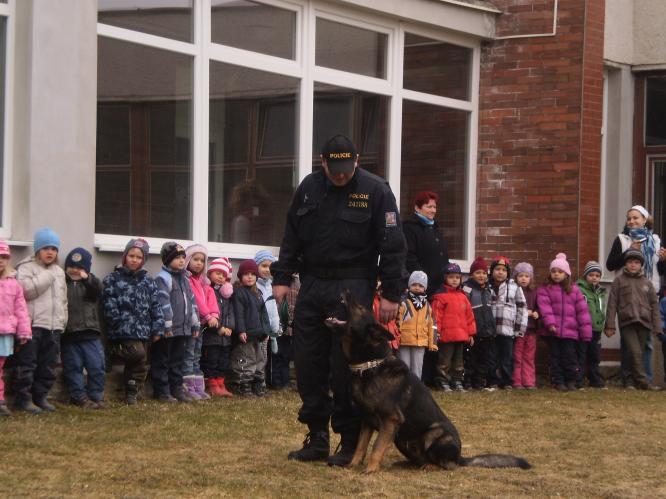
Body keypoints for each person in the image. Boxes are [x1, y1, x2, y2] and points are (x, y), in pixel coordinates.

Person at [271, 134, 407, 466]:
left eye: (348, 168)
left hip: (354, 285)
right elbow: (291, 236)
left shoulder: (376, 191)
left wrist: (391, 293)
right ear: (324, 163)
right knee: (306, 362)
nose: (342, 175)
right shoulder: (308, 188)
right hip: (313, 283)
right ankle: (316, 436)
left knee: (344, 367)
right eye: (336, 169)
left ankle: (348, 442)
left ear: (357, 161)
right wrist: (282, 277)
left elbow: (393, 246)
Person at [606, 205, 666, 384]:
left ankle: (645, 379)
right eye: (629, 218)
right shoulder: (622, 239)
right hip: (628, 295)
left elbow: (660, 270)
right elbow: (610, 265)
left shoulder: (655, 240)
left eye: (636, 218)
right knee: (627, 341)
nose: (631, 221)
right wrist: (628, 250)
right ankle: (628, 378)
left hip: (649, 293)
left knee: (646, 341)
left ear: (645, 220)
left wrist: (663, 260)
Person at [102, 238, 164, 405]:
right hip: (122, 329)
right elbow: (108, 301)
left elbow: (155, 305)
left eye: (138, 257)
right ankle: (113, 350)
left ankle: (131, 391)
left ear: (143, 260)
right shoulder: (113, 279)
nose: (134, 260)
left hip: (143, 330)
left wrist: (158, 327)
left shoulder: (148, 281)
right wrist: (115, 320)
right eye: (131, 255)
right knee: (137, 354)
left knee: (140, 364)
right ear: (125, 256)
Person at [12, 228, 67, 413]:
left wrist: (62, 321)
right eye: (45, 248)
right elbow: (25, 291)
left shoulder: (59, 272)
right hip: (33, 326)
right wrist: (47, 275)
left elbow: (63, 299)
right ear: (37, 250)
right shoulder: (26, 267)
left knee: (48, 366)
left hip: (53, 328)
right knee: (27, 364)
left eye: (54, 248)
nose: (50, 252)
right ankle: (23, 399)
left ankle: (40, 397)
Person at [402, 191, 449, 385]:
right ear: (417, 208)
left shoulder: (435, 229)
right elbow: (410, 256)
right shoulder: (410, 228)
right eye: (429, 206)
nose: (433, 210)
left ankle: (429, 376)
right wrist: (421, 282)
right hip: (420, 288)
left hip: (438, 288)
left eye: (435, 207)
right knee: (416, 331)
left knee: (431, 331)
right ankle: (415, 378)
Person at [605, 249, 661, 390]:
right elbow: (612, 303)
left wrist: (657, 327)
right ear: (626, 263)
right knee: (634, 351)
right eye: (630, 262)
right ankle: (643, 382)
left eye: (636, 262)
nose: (633, 265)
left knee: (638, 353)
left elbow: (654, 306)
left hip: (644, 322)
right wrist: (610, 325)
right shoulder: (619, 280)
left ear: (641, 265)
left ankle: (630, 381)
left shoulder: (647, 283)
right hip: (627, 321)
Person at [537, 253, 592, 391]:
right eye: (554, 271)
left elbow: (582, 312)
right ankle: (558, 381)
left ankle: (571, 380)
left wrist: (585, 333)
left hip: (570, 332)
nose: (556, 274)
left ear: (566, 274)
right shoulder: (545, 289)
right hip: (553, 332)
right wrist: (550, 323)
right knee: (555, 357)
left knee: (570, 357)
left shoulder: (574, 290)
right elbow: (545, 307)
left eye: (560, 272)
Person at [153, 242, 200, 403]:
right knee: (163, 360)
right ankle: (162, 390)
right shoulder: (162, 278)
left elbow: (192, 302)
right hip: (169, 329)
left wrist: (195, 323)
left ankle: (177, 388)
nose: (181, 261)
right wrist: (166, 324)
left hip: (183, 328)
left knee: (177, 360)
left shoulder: (185, 279)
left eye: (182, 257)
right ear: (167, 259)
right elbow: (162, 302)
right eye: (177, 257)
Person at [61, 248, 106, 409]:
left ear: (86, 269)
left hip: (90, 334)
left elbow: (99, 290)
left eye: (79, 268)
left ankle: (96, 396)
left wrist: (86, 279)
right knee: (73, 368)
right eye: (71, 266)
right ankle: (78, 396)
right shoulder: (62, 284)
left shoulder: (91, 283)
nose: (75, 270)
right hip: (70, 334)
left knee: (96, 366)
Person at [431, 263, 476, 392]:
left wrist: (471, 333)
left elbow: (469, 316)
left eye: (457, 277)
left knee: (458, 362)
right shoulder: (440, 296)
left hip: (461, 336)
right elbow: (436, 316)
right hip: (446, 336)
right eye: (451, 277)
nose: (455, 280)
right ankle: (442, 381)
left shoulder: (463, 296)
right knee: (444, 361)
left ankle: (457, 381)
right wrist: (436, 333)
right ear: (445, 278)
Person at [230, 259, 271, 397]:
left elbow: (263, 314)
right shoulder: (239, 293)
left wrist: (266, 330)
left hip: (257, 335)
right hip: (245, 335)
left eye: (253, 274)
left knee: (259, 360)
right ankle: (242, 384)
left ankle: (257, 383)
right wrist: (241, 330)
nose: (250, 277)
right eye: (246, 274)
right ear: (241, 276)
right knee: (245, 360)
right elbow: (238, 314)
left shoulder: (258, 293)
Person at [183, 244, 219, 400]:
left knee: (197, 354)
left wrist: (215, 315)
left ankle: (197, 386)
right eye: (195, 259)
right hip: (191, 323)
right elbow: (197, 301)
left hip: (202, 324)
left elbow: (211, 300)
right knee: (189, 353)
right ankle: (187, 386)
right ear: (188, 260)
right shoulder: (187, 279)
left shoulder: (204, 282)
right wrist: (208, 315)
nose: (199, 263)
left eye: (202, 260)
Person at [0, 241, 31, 416]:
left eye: (4, 258)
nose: (0, 261)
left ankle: (0, 401)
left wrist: (24, 331)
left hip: (5, 332)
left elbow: (21, 309)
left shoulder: (14, 284)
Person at [488, 256, 527, 390]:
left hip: (508, 330)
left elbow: (522, 308)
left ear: (508, 273)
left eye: (503, 270)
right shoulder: (487, 287)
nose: (500, 272)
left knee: (507, 357)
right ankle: (492, 380)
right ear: (492, 271)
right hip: (490, 330)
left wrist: (519, 329)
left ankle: (507, 381)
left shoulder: (515, 287)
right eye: (497, 269)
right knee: (491, 356)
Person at [461, 257, 496, 391]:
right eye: (477, 273)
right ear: (471, 275)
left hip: (486, 332)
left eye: (483, 273)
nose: (481, 276)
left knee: (483, 359)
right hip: (473, 331)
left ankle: (480, 381)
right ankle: (468, 381)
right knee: (470, 358)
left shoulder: (488, 290)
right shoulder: (467, 289)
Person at [202, 257, 234, 398]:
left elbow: (231, 313)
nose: (221, 277)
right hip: (212, 337)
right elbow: (208, 313)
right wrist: (219, 328)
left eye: (224, 275)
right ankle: (212, 385)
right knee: (212, 361)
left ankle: (221, 384)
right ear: (209, 274)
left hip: (225, 337)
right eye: (218, 273)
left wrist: (230, 327)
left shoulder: (226, 295)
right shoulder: (208, 291)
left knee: (223, 361)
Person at [396, 271, 437, 379]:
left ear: (425, 288)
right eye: (414, 285)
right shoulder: (403, 302)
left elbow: (432, 324)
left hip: (421, 342)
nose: (417, 288)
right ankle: (403, 389)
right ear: (409, 286)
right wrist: (396, 339)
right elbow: (397, 320)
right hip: (404, 341)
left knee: (417, 368)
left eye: (420, 285)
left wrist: (432, 343)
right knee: (404, 367)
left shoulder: (427, 305)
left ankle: (416, 390)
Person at [576, 261, 608, 389]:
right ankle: (578, 381)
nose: (594, 278)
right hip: (583, 329)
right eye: (591, 275)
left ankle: (595, 379)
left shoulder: (601, 292)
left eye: (597, 275)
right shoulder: (579, 290)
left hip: (596, 329)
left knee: (595, 356)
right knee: (581, 355)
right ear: (585, 276)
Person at [254, 249, 282, 387]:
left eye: (270, 266)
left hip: (269, 330)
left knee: (264, 356)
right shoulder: (255, 286)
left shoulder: (270, 286)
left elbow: (273, 310)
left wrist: (276, 327)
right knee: (256, 355)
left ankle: (261, 380)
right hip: (258, 329)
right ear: (256, 266)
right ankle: (254, 380)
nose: (267, 269)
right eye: (263, 266)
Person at [511, 262, 539, 390]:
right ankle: (517, 381)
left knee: (529, 356)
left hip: (532, 330)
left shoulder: (534, 292)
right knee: (517, 356)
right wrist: (523, 312)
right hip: (519, 330)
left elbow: (540, 307)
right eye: (520, 276)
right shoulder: (513, 291)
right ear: (515, 277)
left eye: (527, 276)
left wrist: (537, 313)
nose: (523, 279)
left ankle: (529, 381)